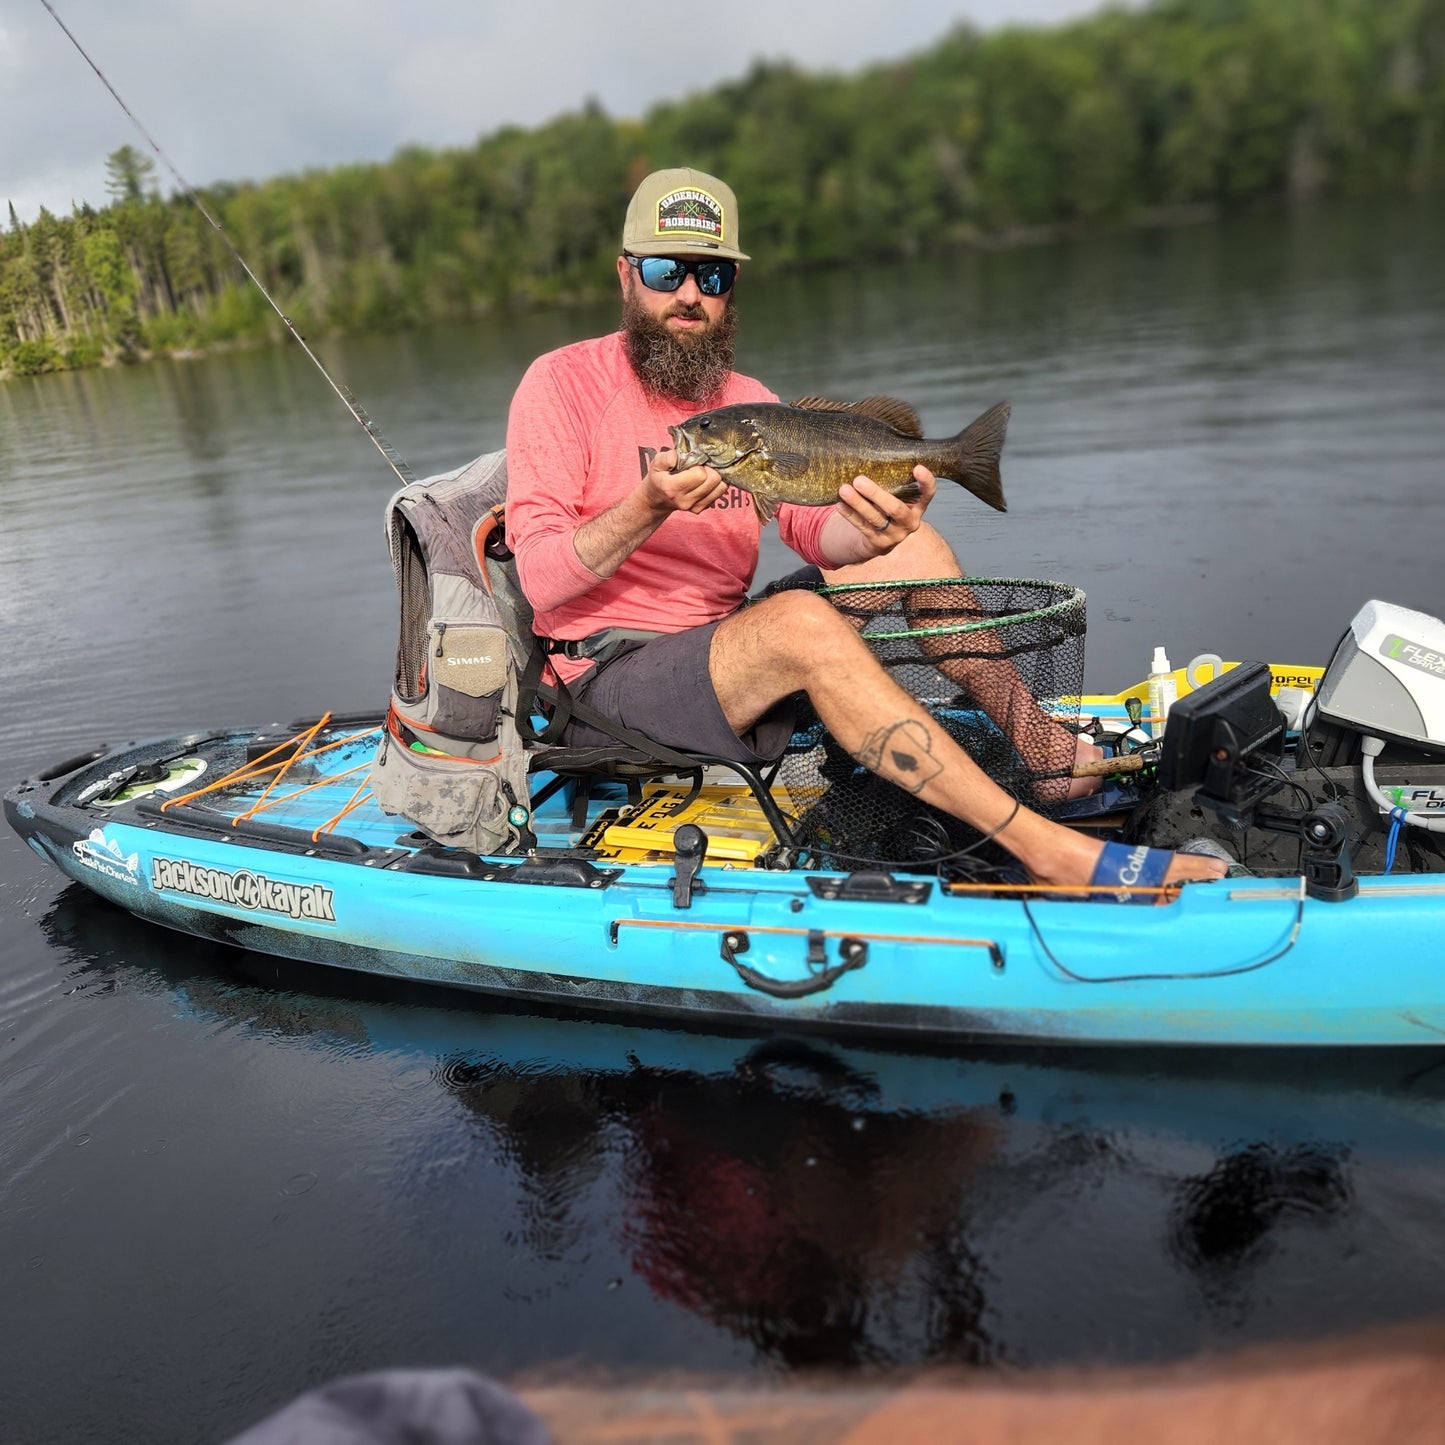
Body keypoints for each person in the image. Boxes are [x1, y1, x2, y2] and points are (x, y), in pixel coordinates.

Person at [504, 167, 1224, 891]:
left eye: (712, 275)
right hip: (604, 684)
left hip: (720, 653)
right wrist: (646, 505)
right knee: (800, 624)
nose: (689, 295)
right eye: (666, 271)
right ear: (626, 276)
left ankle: (1045, 752)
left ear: (730, 291)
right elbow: (538, 578)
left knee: (913, 548)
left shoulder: (750, 401)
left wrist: (877, 531)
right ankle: (1046, 849)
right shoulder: (560, 385)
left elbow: (819, 533)